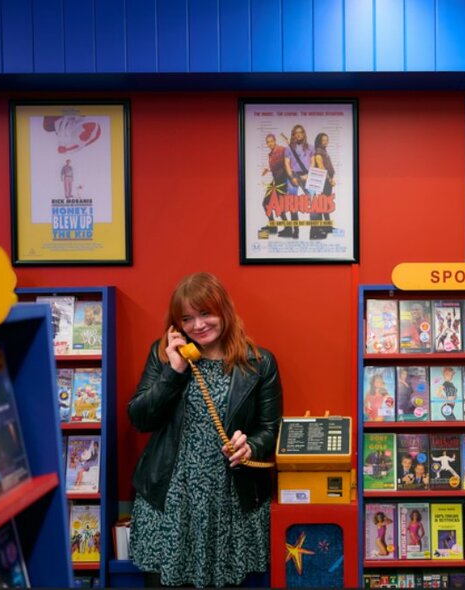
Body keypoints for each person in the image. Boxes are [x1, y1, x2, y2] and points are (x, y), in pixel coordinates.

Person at [128, 272, 283, 588]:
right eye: (187, 318)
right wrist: (174, 371)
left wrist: (251, 446)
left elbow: (270, 428)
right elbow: (139, 419)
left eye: (206, 314)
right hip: (171, 499)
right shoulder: (164, 357)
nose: (198, 325)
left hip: (230, 501)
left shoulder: (259, 362)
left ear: (224, 310)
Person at [282, 124, 313, 238]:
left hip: (307, 176)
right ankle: (296, 231)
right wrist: (292, 178)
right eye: (296, 132)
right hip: (293, 176)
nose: (299, 134)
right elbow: (286, 164)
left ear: (304, 134)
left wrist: (308, 176)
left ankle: (313, 230)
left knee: (313, 202)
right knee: (293, 205)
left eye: (301, 132)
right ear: (293, 135)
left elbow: (313, 163)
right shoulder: (288, 149)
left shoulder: (311, 147)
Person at [260, 133, 288, 234]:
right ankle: (273, 226)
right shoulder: (271, 154)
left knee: (276, 205)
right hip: (276, 181)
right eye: (268, 142)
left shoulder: (281, 149)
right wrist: (268, 170)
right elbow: (277, 167)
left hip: (282, 181)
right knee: (266, 203)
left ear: (275, 141)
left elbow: (289, 162)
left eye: (271, 141)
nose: (270, 143)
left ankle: (287, 228)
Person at [311, 132, 335, 239]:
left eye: (327, 140)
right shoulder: (319, 152)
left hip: (326, 182)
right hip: (323, 181)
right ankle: (321, 228)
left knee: (325, 204)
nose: (326, 142)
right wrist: (330, 180)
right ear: (319, 141)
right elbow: (321, 167)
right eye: (324, 140)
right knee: (322, 204)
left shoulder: (323, 150)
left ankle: (328, 226)